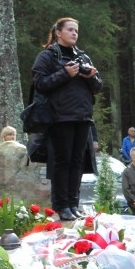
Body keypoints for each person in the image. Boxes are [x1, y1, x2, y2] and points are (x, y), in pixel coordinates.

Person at [32, 17, 102, 221]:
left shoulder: (83, 56)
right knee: (62, 162)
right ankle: (61, 205)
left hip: (83, 117)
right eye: (70, 30)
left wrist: (92, 77)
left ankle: (73, 203)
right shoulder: (48, 56)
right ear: (58, 32)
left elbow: (98, 87)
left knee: (77, 162)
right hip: (59, 117)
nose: (74, 33)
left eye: (76, 31)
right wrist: (64, 73)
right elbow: (39, 84)